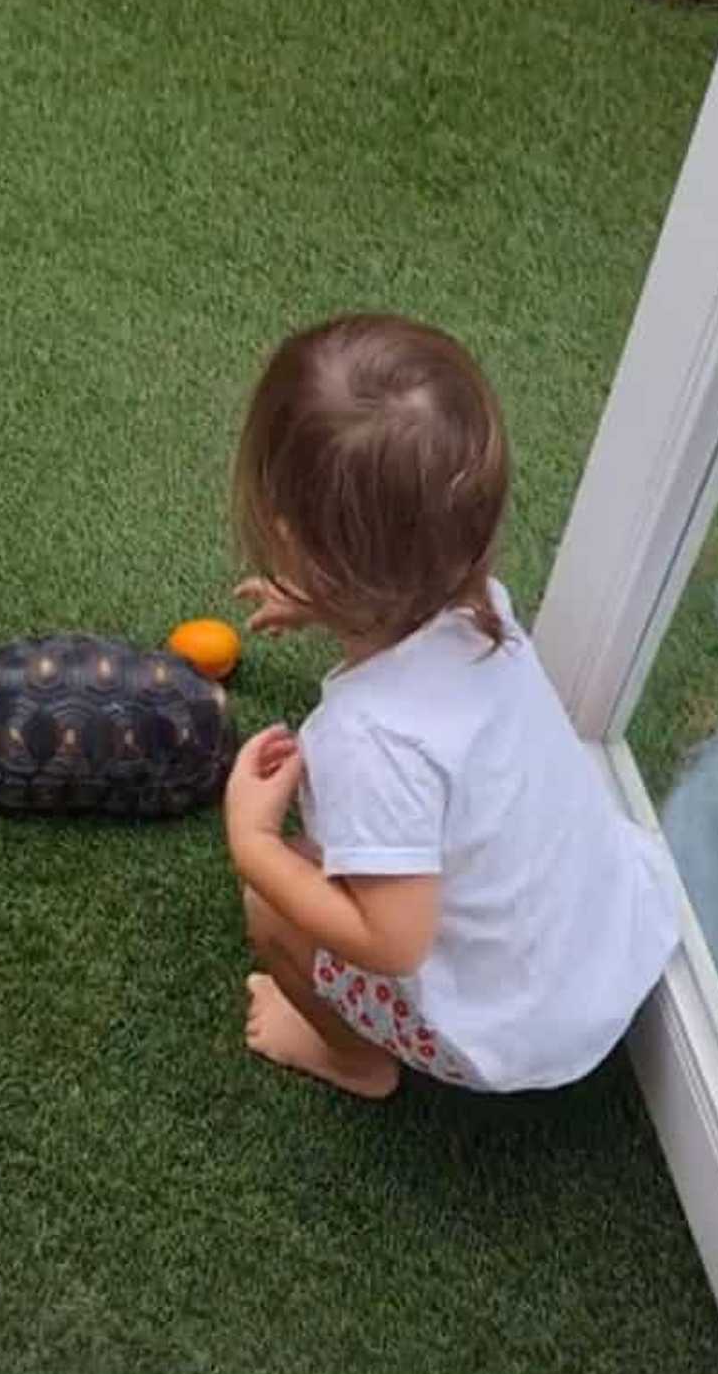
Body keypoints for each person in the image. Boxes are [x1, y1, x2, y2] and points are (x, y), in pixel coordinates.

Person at [225, 312, 682, 1100]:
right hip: (608, 944)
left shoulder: (368, 741)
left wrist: (254, 843)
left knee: (270, 903)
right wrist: (319, 597)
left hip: (512, 1031)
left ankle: (354, 1060)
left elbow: (392, 940)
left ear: (290, 536)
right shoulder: (482, 610)